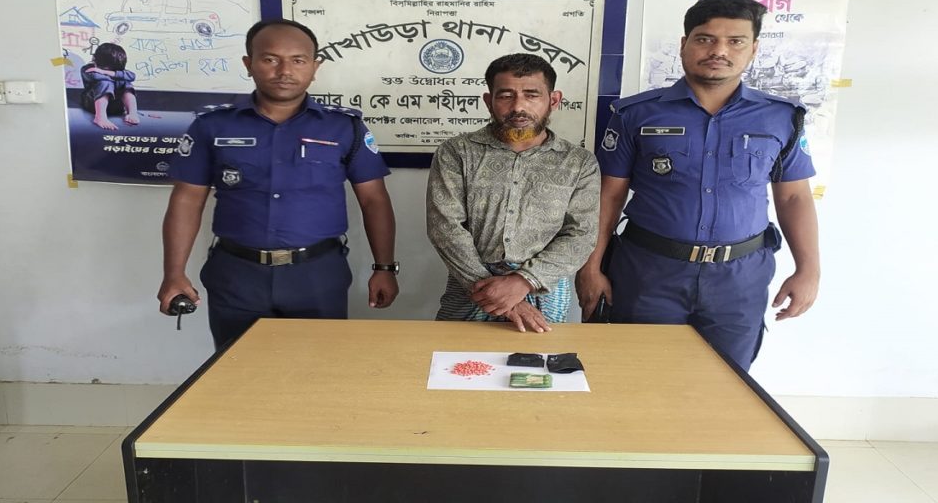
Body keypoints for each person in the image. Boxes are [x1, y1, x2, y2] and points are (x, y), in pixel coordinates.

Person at [575, 0, 819, 370]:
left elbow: (794, 199)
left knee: (726, 383)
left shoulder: (781, 118)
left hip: (739, 279)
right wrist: (591, 268)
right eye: (705, 39)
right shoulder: (635, 114)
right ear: (684, 44)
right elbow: (608, 197)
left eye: (735, 41)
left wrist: (808, 270)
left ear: (753, 49)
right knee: (640, 375)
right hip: (649, 273)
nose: (719, 50)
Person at [157, 19, 399, 349]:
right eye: (270, 59)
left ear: (315, 67)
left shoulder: (344, 127)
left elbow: (374, 200)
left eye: (298, 60)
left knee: (318, 367)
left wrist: (385, 267)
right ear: (249, 64)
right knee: (238, 368)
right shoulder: (212, 125)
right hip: (236, 274)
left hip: (317, 274)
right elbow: (187, 199)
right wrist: (174, 273)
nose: (285, 71)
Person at [427, 53, 600, 333]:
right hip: (470, 288)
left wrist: (523, 281)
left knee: (539, 360)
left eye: (532, 95)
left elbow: (581, 234)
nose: (518, 106)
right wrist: (495, 294)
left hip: (544, 291)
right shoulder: (457, 152)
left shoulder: (578, 163)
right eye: (506, 96)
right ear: (489, 101)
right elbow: (444, 227)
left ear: (553, 100)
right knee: (455, 357)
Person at [80, 42, 139, 130]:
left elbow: (132, 76)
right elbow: (96, 76)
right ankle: (100, 117)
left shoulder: (111, 70)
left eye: (113, 70)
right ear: (95, 59)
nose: (110, 72)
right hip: (92, 105)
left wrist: (104, 72)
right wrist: (117, 76)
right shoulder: (88, 69)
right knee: (106, 83)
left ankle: (132, 113)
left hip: (116, 106)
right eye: (105, 69)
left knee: (126, 83)